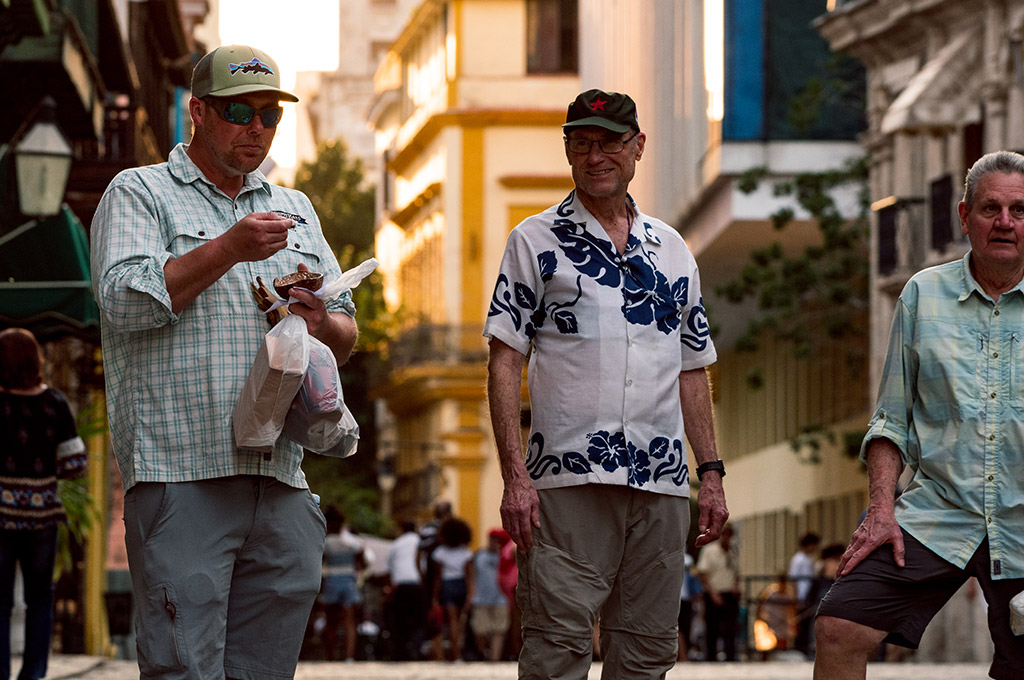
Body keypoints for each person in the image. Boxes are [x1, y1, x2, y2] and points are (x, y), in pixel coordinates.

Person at [90, 44, 358, 680]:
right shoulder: (139, 192)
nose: (257, 128)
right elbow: (124, 304)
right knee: (184, 668)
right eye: (240, 111)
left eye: (270, 115)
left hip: (282, 477)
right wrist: (228, 249)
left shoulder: (297, 208)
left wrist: (321, 320)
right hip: (183, 473)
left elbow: (347, 335)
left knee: (266, 672)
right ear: (198, 112)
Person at [485, 88, 729, 680]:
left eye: (610, 143)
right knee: (556, 649)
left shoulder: (673, 251)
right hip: (567, 478)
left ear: (638, 147)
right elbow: (503, 362)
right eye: (582, 143)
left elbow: (693, 368)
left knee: (647, 653)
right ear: (568, 150)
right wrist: (515, 478)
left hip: (662, 481)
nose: (596, 156)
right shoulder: (534, 241)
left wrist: (712, 474)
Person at [813, 150, 1024, 680]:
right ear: (964, 216)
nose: (1005, 223)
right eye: (990, 208)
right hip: (938, 509)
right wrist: (881, 511)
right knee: (839, 627)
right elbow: (891, 421)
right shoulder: (922, 295)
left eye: (1019, 211)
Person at [0, 328, 88, 680]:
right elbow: (76, 464)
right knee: (40, 600)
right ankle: (33, 673)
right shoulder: (55, 402)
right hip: (43, 518)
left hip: (1, 517)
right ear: (34, 359)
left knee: (0, 602)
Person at [320, 507, 367, 661]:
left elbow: (320, 562)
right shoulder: (352, 542)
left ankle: (330, 656)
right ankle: (349, 656)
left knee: (331, 622)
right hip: (348, 580)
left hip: (332, 579)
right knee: (349, 621)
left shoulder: (325, 543)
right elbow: (363, 561)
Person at [430, 517, 474, 662]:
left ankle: (451, 654)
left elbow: (437, 578)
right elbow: (469, 576)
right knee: (459, 623)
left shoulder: (440, 553)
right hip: (461, 585)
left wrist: (435, 597)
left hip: (447, 586)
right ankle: (457, 654)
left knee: (451, 622)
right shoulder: (466, 553)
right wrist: (470, 595)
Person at [695, 523, 740, 661]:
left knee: (730, 628)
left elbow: (736, 571)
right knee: (712, 627)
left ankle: (730, 655)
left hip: (729, 593)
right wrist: (712, 592)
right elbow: (703, 573)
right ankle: (711, 657)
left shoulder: (733, 551)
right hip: (714, 593)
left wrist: (736, 586)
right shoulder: (710, 551)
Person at [385, 521, 427, 660]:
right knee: (419, 619)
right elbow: (423, 563)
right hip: (416, 584)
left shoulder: (396, 544)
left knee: (401, 620)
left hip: (400, 586)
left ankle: (401, 651)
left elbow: (390, 567)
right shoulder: (419, 541)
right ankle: (415, 648)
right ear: (415, 529)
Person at [469, 528, 511, 661]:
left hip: (501, 599)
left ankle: (494, 659)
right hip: (481, 598)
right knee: (479, 630)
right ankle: (483, 654)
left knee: (498, 631)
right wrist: (471, 594)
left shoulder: (505, 555)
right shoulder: (478, 556)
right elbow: (471, 576)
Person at [788, 531, 820, 655]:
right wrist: (796, 598)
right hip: (801, 596)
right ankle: (799, 650)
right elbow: (794, 580)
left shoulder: (809, 559)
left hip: (808, 595)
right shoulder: (798, 559)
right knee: (801, 625)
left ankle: (805, 649)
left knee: (807, 624)